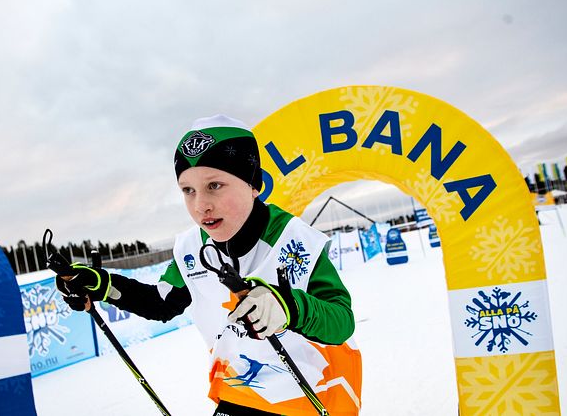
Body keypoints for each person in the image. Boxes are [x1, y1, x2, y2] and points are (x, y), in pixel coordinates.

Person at [56, 115, 362, 415]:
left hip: (311, 392)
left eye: (214, 185)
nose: (200, 204)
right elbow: (161, 304)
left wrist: (290, 308)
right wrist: (103, 286)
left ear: (253, 184)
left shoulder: (295, 241)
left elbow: (341, 322)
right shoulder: (191, 248)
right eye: (187, 190)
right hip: (241, 389)